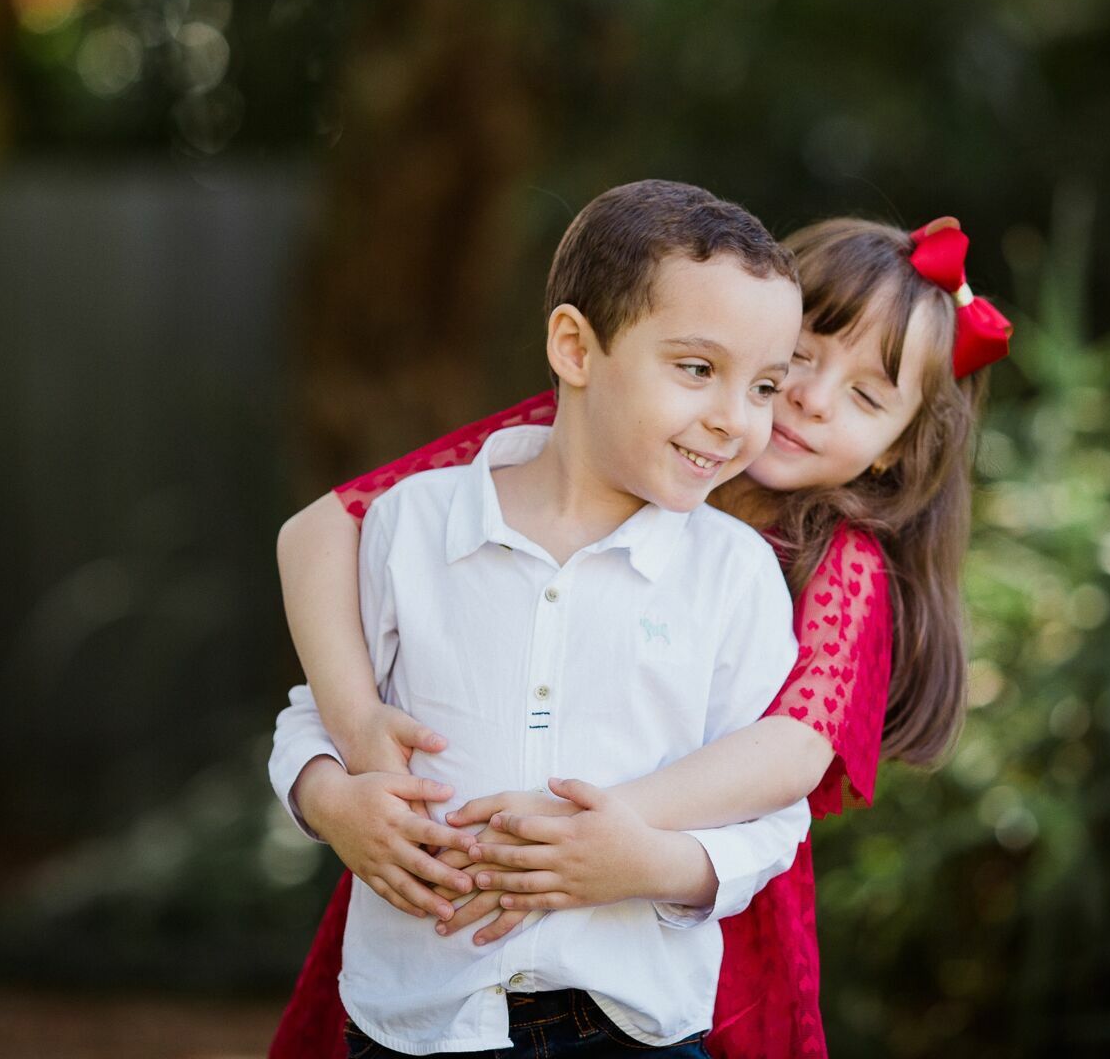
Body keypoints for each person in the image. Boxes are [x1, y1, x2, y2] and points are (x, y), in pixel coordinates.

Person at [269, 209, 1013, 1058]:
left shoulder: (828, 564)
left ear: (895, 450)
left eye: (864, 395)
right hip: (454, 915)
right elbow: (320, 532)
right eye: (797, 363)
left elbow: (793, 747)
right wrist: (360, 729)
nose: (805, 400)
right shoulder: (578, 441)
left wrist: (601, 832)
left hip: (679, 907)